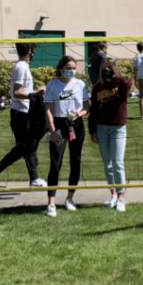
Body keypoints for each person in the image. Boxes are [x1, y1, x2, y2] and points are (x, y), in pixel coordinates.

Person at [0, 42, 47, 187]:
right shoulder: (20, 67)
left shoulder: (23, 66)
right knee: (25, 147)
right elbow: (16, 93)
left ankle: (34, 178)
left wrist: (34, 92)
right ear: (30, 51)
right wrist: (34, 94)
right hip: (20, 113)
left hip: (26, 111)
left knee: (29, 146)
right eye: (33, 50)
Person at [44, 55, 90, 217]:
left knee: (75, 161)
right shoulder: (52, 85)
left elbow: (86, 108)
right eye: (68, 68)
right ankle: (51, 203)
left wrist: (79, 114)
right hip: (58, 125)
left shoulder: (80, 84)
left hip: (76, 125)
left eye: (73, 68)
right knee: (55, 163)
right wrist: (52, 131)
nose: (71, 71)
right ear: (61, 68)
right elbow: (48, 110)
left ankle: (70, 198)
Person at [89, 57, 131, 212]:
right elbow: (93, 109)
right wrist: (92, 129)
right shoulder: (97, 87)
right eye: (104, 68)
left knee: (117, 162)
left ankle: (121, 196)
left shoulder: (121, 84)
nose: (106, 70)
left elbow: (128, 84)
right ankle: (112, 193)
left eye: (109, 68)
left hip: (118, 127)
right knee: (107, 162)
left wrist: (114, 77)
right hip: (101, 127)